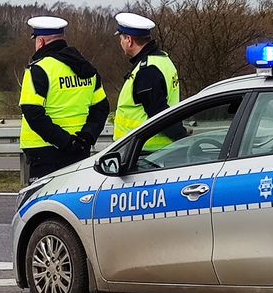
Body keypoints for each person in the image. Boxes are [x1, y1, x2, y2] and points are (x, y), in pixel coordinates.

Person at [19, 15, 110, 181]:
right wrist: (86, 137)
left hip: (45, 152)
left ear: (41, 42)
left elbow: (33, 113)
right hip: (80, 149)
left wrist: (66, 142)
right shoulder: (86, 67)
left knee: (43, 204)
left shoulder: (39, 69)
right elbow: (101, 108)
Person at [113, 12, 185, 149]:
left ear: (129, 40)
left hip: (144, 151)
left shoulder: (147, 70)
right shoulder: (163, 59)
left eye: (121, 38)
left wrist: (181, 136)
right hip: (153, 149)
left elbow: (159, 113)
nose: (120, 42)